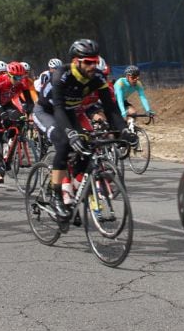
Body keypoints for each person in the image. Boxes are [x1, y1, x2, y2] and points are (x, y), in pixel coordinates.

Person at [33, 39, 128, 216]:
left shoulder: (98, 77)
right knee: (63, 143)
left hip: (69, 112)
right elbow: (58, 108)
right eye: (88, 62)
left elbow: (110, 107)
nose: (93, 66)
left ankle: (72, 186)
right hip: (47, 111)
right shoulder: (61, 75)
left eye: (95, 61)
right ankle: (55, 195)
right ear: (76, 61)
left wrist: (123, 130)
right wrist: (70, 133)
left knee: (87, 146)